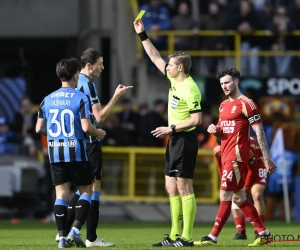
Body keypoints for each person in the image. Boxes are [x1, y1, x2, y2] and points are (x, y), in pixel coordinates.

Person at [133, 19, 202, 247]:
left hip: (184, 138)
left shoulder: (190, 88)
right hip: (174, 139)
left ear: (180, 67)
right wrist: (142, 35)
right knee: (170, 187)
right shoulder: (174, 79)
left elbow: (196, 119)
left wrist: (170, 128)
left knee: (184, 187)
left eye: (171, 65)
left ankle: (187, 237)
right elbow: (154, 57)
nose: (167, 67)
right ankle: (173, 236)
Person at [194, 67, 276, 247]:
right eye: (221, 83)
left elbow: (259, 131)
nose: (224, 86)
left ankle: (212, 237)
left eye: (227, 82)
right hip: (226, 154)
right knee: (238, 198)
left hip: (237, 156)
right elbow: (222, 133)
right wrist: (214, 131)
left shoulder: (247, 103)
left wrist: (266, 157)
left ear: (236, 81)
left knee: (225, 194)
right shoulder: (223, 105)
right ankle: (263, 233)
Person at [63, 48, 133, 248]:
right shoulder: (89, 85)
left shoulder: (74, 83)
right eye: (100, 64)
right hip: (90, 141)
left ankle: (65, 231)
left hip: (75, 140)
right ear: (89, 65)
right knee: (93, 189)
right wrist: (116, 96)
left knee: (81, 189)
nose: (103, 67)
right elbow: (100, 117)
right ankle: (91, 237)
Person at [36, 58, 105, 248]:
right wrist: (98, 132)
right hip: (76, 151)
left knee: (61, 194)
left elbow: (39, 128)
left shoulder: (46, 99)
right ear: (76, 75)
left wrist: (55, 135)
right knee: (86, 190)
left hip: (55, 153)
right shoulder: (80, 97)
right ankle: (75, 230)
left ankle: (62, 237)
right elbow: (86, 127)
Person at [213, 136, 267, 240]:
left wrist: (245, 188)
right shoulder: (218, 148)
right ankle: (241, 231)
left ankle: (259, 230)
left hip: (258, 164)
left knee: (257, 194)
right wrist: (225, 185)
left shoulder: (247, 146)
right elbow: (222, 167)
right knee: (234, 195)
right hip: (239, 166)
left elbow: (252, 169)